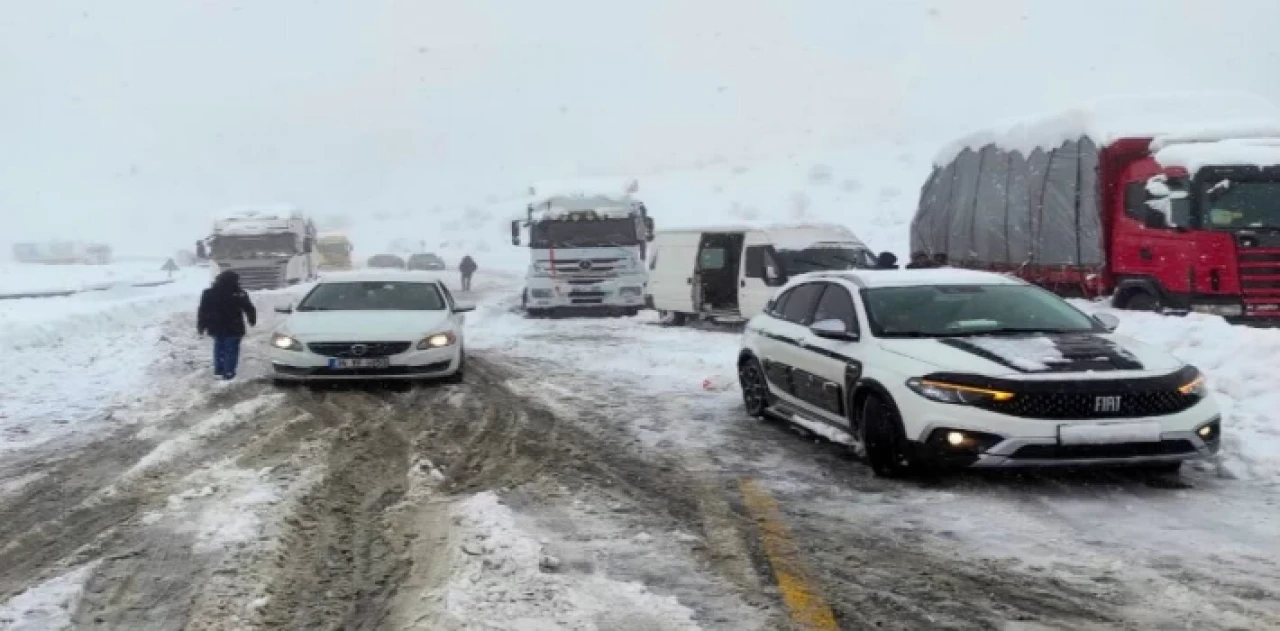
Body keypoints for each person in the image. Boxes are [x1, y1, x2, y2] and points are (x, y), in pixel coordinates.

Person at [197, 271, 257, 380]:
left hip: (216, 326)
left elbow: (203, 310)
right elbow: (249, 308)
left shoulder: (209, 293)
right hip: (234, 326)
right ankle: (228, 372)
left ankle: (219, 370)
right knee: (231, 350)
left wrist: (202, 325)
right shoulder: (239, 293)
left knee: (219, 347)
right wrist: (252, 319)